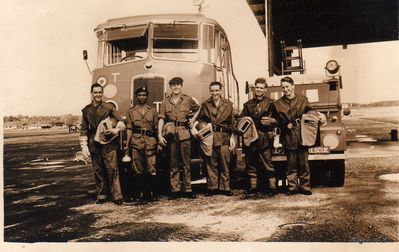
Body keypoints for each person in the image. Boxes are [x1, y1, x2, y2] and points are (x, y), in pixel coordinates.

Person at [80, 83, 126, 204]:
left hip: (109, 141)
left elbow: (122, 121)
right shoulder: (86, 110)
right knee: (98, 170)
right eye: (95, 92)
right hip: (93, 143)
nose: (98, 94)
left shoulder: (109, 107)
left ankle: (117, 196)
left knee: (112, 169)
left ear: (102, 93)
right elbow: (84, 128)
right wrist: (84, 146)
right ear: (92, 93)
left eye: (100, 92)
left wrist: (115, 129)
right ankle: (102, 195)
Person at [158, 77, 200, 199]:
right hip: (171, 135)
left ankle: (188, 189)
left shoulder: (187, 99)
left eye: (178, 85)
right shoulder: (165, 102)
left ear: (181, 86)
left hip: (184, 134)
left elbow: (198, 108)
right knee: (173, 163)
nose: (176, 87)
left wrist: (192, 120)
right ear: (170, 87)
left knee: (186, 163)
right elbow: (161, 118)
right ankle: (174, 190)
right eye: (173, 85)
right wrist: (160, 135)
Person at [239, 77, 278, 196]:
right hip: (251, 138)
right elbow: (241, 120)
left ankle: (272, 187)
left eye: (261, 88)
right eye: (257, 87)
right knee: (251, 164)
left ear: (265, 89)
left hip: (265, 137)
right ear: (254, 88)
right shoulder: (247, 105)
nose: (259, 90)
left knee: (268, 163)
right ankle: (253, 187)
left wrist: (271, 120)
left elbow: (279, 120)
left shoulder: (271, 103)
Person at [275, 76, 313, 196]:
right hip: (288, 136)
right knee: (291, 164)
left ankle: (305, 186)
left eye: (287, 86)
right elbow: (276, 119)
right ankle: (292, 187)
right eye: (283, 87)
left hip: (302, 134)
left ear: (293, 86)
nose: (285, 89)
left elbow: (310, 113)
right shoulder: (278, 103)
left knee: (303, 163)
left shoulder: (303, 100)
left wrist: (318, 116)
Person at [197, 81, 236, 196]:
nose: (214, 93)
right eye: (212, 90)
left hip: (224, 137)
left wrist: (232, 137)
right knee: (210, 163)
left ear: (220, 91)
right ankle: (212, 187)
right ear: (210, 91)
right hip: (209, 137)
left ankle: (225, 187)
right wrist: (203, 126)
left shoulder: (228, 104)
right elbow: (200, 120)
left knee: (225, 163)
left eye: (217, 90)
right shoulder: (205, 105)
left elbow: (232, 123)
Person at [126, 86, 158, 203]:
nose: (142, 97)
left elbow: (156, 128)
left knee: (151, 168)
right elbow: (129, 128)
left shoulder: (153, 111)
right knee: (137, 169)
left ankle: (151, 193)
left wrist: (158, 143)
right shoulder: (131, 111)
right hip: (136, 142)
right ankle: (140, 193)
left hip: (150, 142)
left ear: (147, 96)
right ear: (136, 96)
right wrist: (127, 144)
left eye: (144, 95)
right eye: (139, 95)